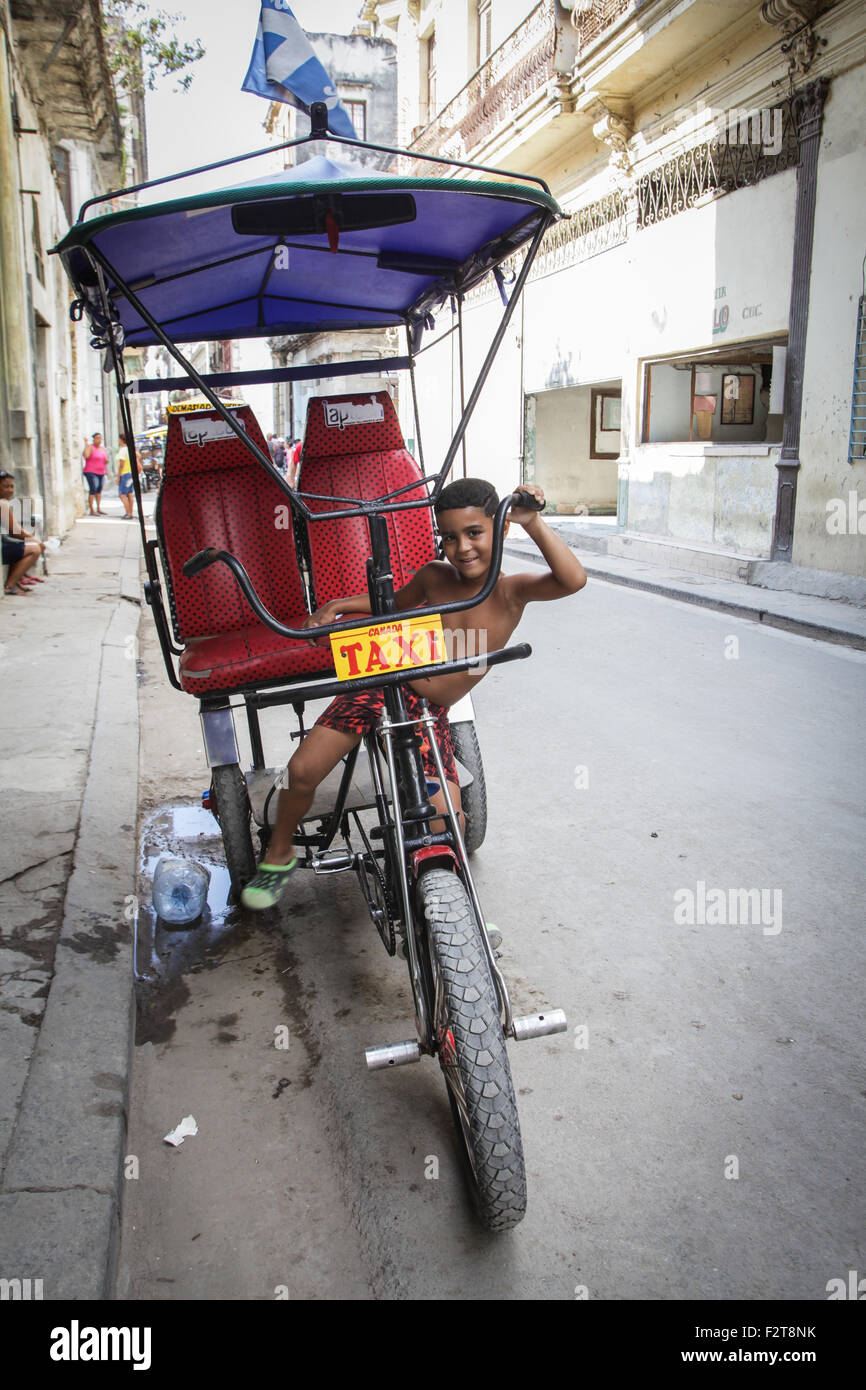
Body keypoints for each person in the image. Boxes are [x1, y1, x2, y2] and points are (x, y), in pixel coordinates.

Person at [241, 478, 587, 910]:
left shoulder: (509, 592)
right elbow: (394, 604)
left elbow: (573, 579)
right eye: (450, 537)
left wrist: (531, 521)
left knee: (449, 819)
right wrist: (338, 606)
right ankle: (279, 852)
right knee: (301, 770)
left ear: (500, 529)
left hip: (426, 710)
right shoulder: (434, 575)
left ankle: (457, 910)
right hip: (382, 682)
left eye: (474, 533)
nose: (462, 548)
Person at [1, 470, 45, 596]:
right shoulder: (2, 504)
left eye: (12, 486)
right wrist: (36, 541)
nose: (10, 490)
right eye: (6, 486)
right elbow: (15, 531)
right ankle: (10, 586)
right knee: (34, 549)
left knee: (20, 546)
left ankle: (16, 581)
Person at [116, 432, 142, 518]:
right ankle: (130, 512)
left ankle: (128, 513)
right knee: (130, 494)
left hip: (125, 474)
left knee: (122, 494)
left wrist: (118, 477)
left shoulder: (123, 450)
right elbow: (139, 456)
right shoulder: (130, 449)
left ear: (121, 440)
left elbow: (121, 465)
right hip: (132, 473)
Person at [82, 432, 108, 515]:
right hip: (91, 472)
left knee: (99, 490)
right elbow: (86, 456)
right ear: (93, 439)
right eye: (97, 438)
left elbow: (106, 459)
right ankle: (92, 509)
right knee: (93, 488)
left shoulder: (102, 449)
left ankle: (98, 508)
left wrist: (106, 461)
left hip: (101, 472)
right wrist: (86, 444)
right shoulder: (90, 447)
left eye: (100, 438)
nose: (99, 440)